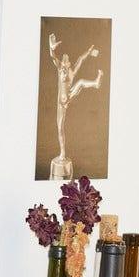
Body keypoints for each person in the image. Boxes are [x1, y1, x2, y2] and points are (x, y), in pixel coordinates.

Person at [48, 32, 103, 180]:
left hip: (68, 96)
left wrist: (89, 52)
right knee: (60, 128)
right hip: (61, 103)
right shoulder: (60, 69)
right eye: (63, 63)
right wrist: (51, 48)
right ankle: (63, 153)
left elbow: (81, 59)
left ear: (69, 64)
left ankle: (95, 83)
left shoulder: (71, 72)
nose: (64, 66)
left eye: (66, 63)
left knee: (81, 83)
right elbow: (53, 57)